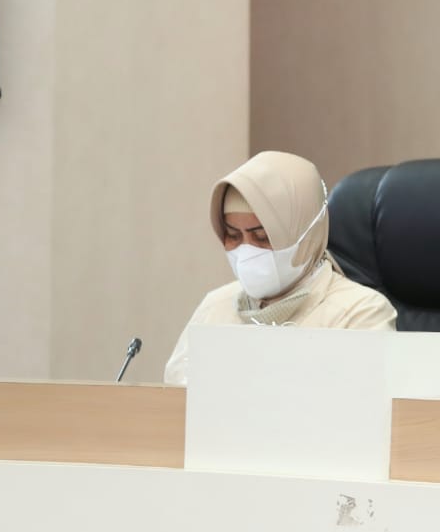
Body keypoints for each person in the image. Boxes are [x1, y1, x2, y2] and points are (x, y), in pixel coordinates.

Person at [163, 151, 396, 385]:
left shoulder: (360, 313)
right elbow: (174, 397)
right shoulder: (215, 307)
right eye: (233, 235)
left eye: (262, 236)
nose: (247, 249)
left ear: (307, 234)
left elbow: (359, 401)